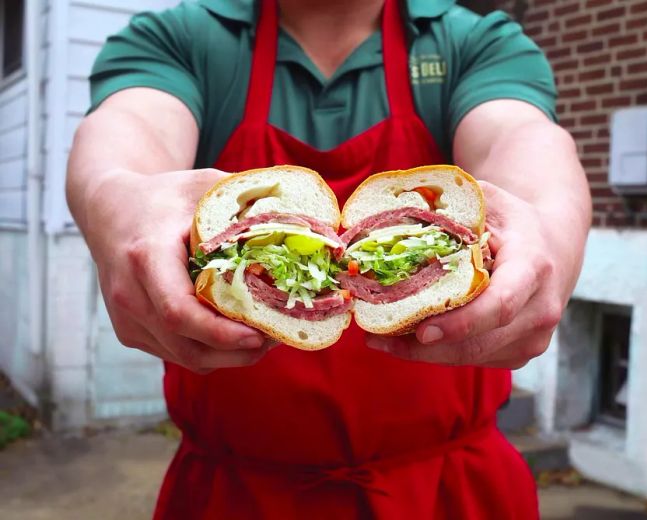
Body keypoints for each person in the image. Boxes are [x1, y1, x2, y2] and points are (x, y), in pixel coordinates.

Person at [66, 0, 591, 517]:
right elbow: (130, 131)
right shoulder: (180, 39)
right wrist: (116, 199)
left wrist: (546, 224)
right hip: (235, 495)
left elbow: (521, 136)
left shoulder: (475, 44)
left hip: (449, 492)